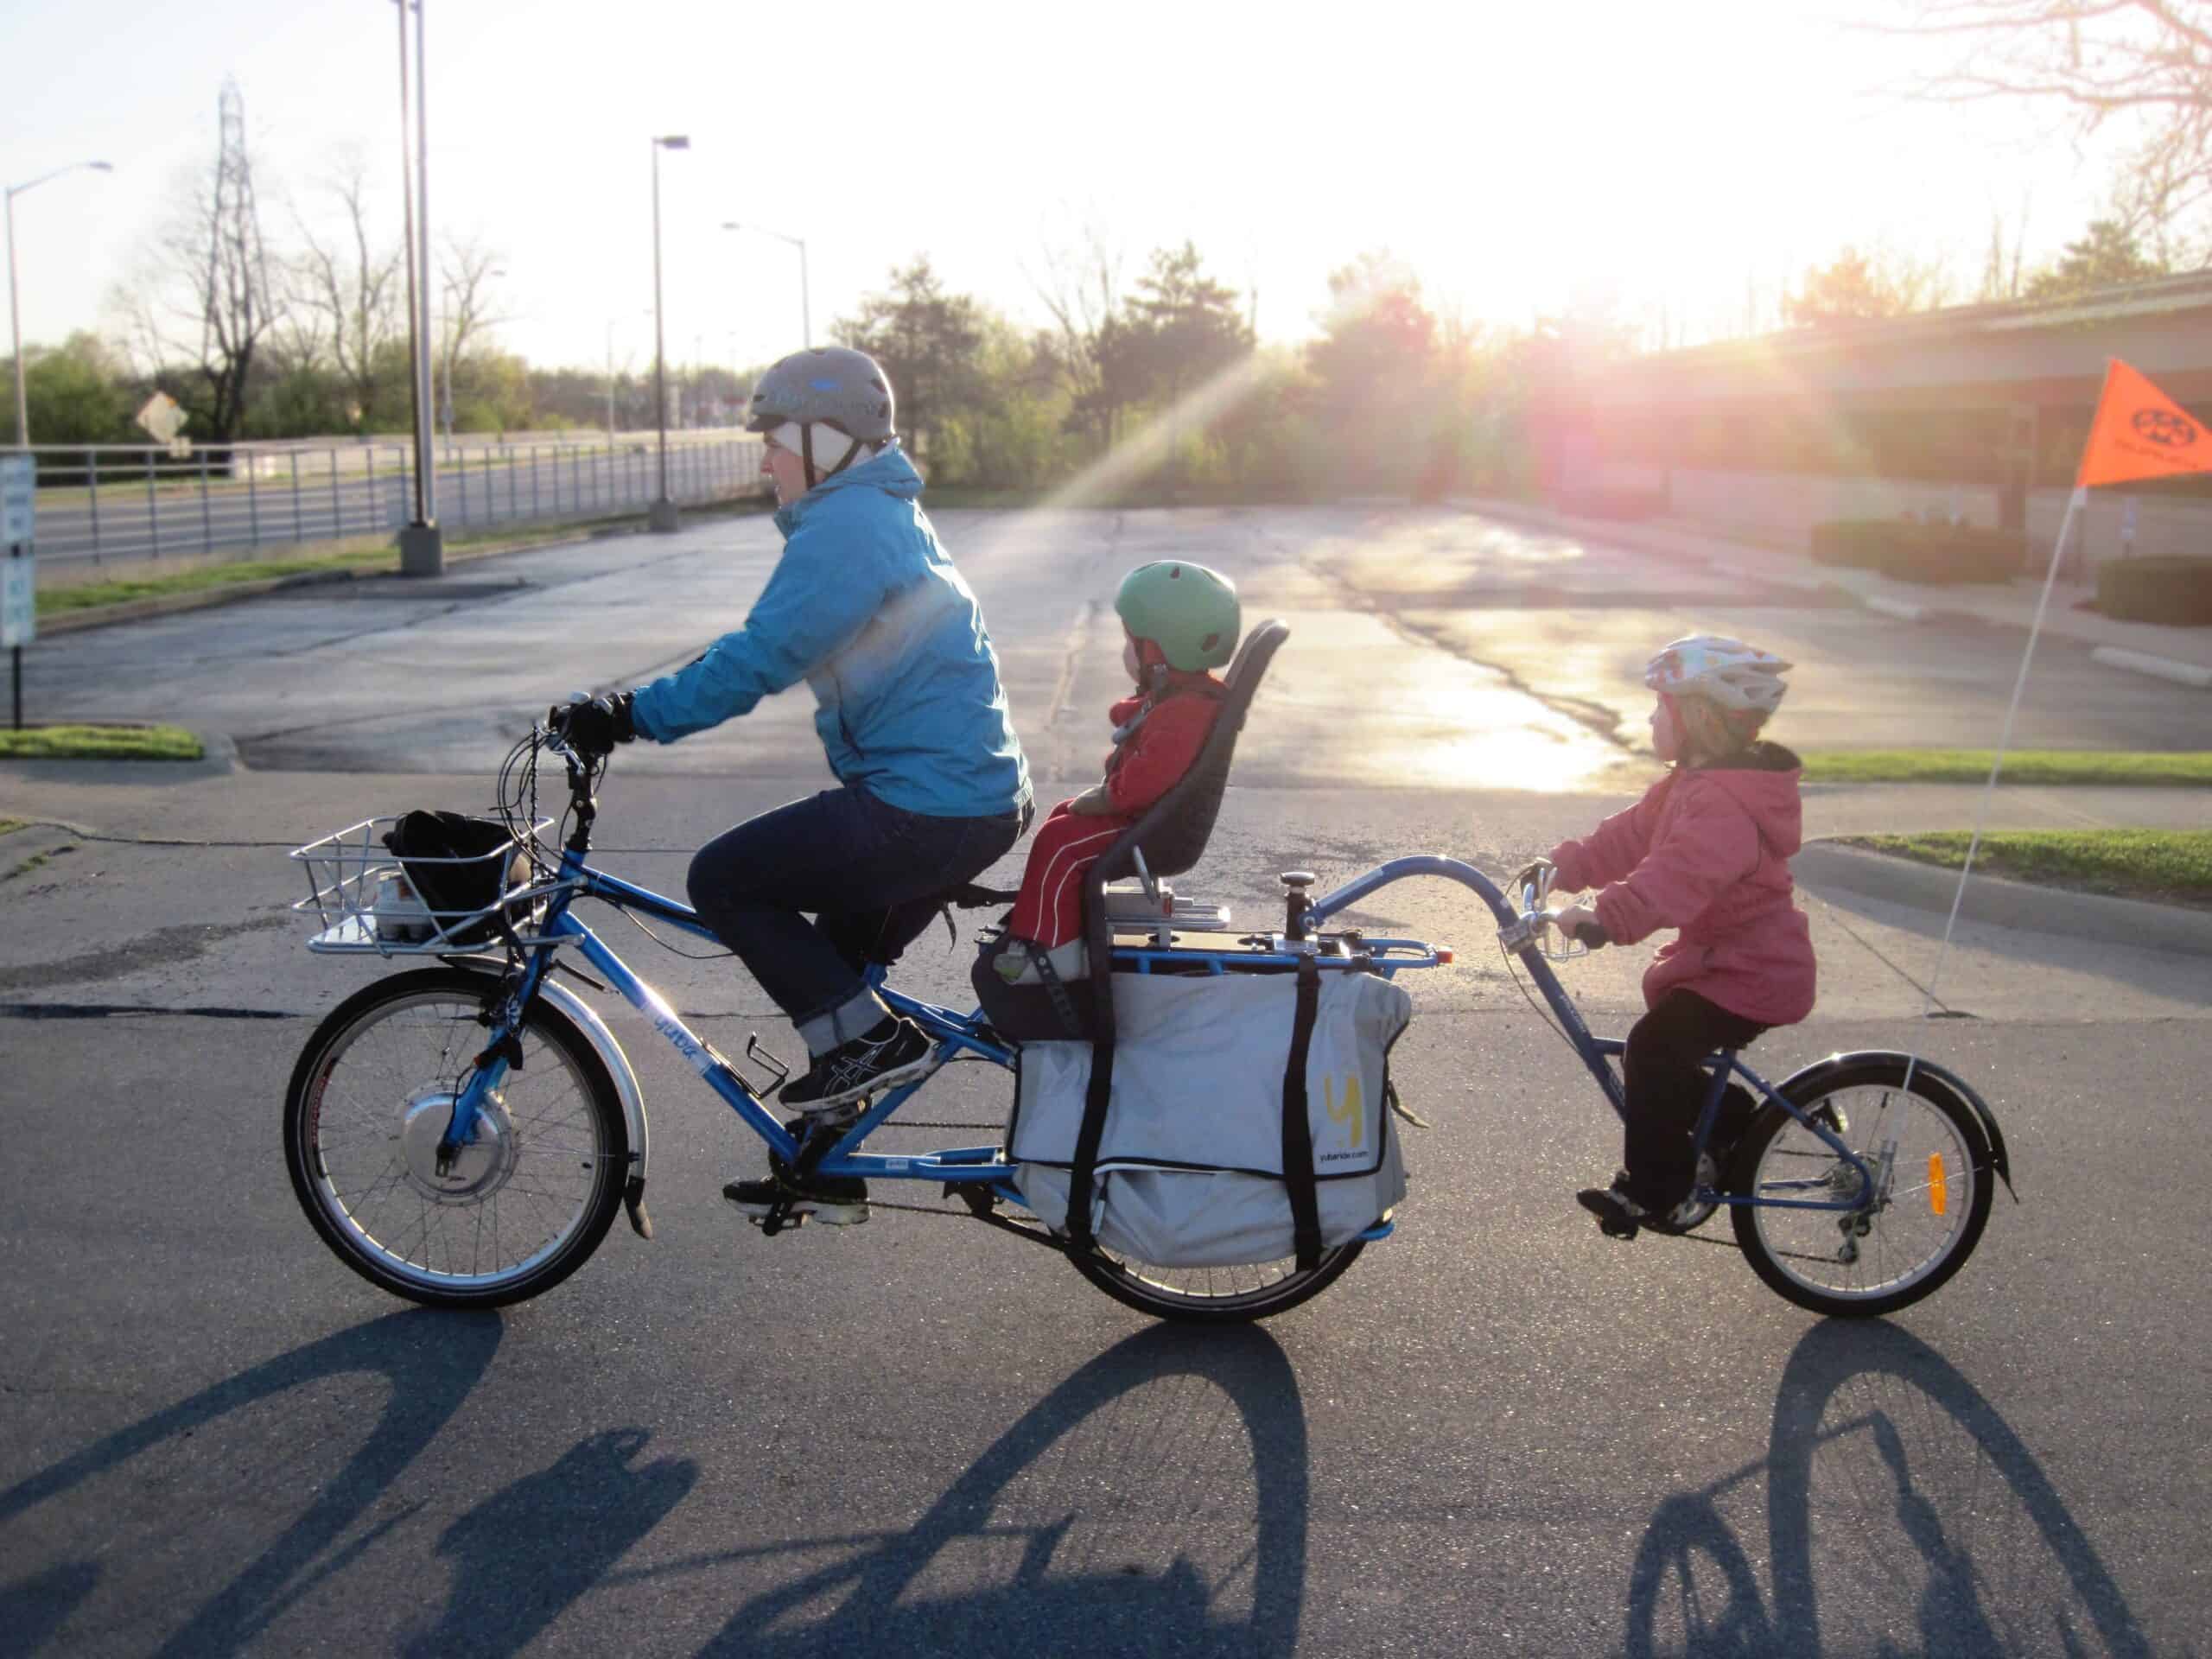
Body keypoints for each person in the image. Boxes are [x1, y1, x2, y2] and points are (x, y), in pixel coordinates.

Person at [551, 346, 1031, 1224]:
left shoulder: (848, 528)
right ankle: (829, 1161)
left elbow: (762, 655)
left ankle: (872, 1048)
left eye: (774, 440)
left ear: (826, 439)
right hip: (964, 800)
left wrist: (627, 715)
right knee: (839, 983)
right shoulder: (877, 512)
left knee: (726, 880)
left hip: (927, 808)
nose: (764, 459)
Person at [1531, 634, 1818, 1239]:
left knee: (1654, 1049)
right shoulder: (1693, 784)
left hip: (1752, 974)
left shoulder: (1724, 805)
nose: (1650, 718)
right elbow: (1632, 836)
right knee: (1668, 1051)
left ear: (1699, 716)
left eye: (1661, 707)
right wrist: (1568, 867)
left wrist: (1607, 916)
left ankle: (1656, 1189)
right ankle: (1736, 1121)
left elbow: (1676, 878)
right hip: (1724, 964)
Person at [991, 561, 1239, 984]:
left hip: (1154, 830)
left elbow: (1145, 781)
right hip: (1153, 819)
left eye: (1134, 643)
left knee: (1061, 843)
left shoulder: (1186, 712)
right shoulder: (1187, 698)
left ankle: (1050, 951)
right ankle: (1047, 916)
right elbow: (1146, 729)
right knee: (1064, 815)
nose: (1127, 652)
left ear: (1160, 652)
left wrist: (1107, 798)